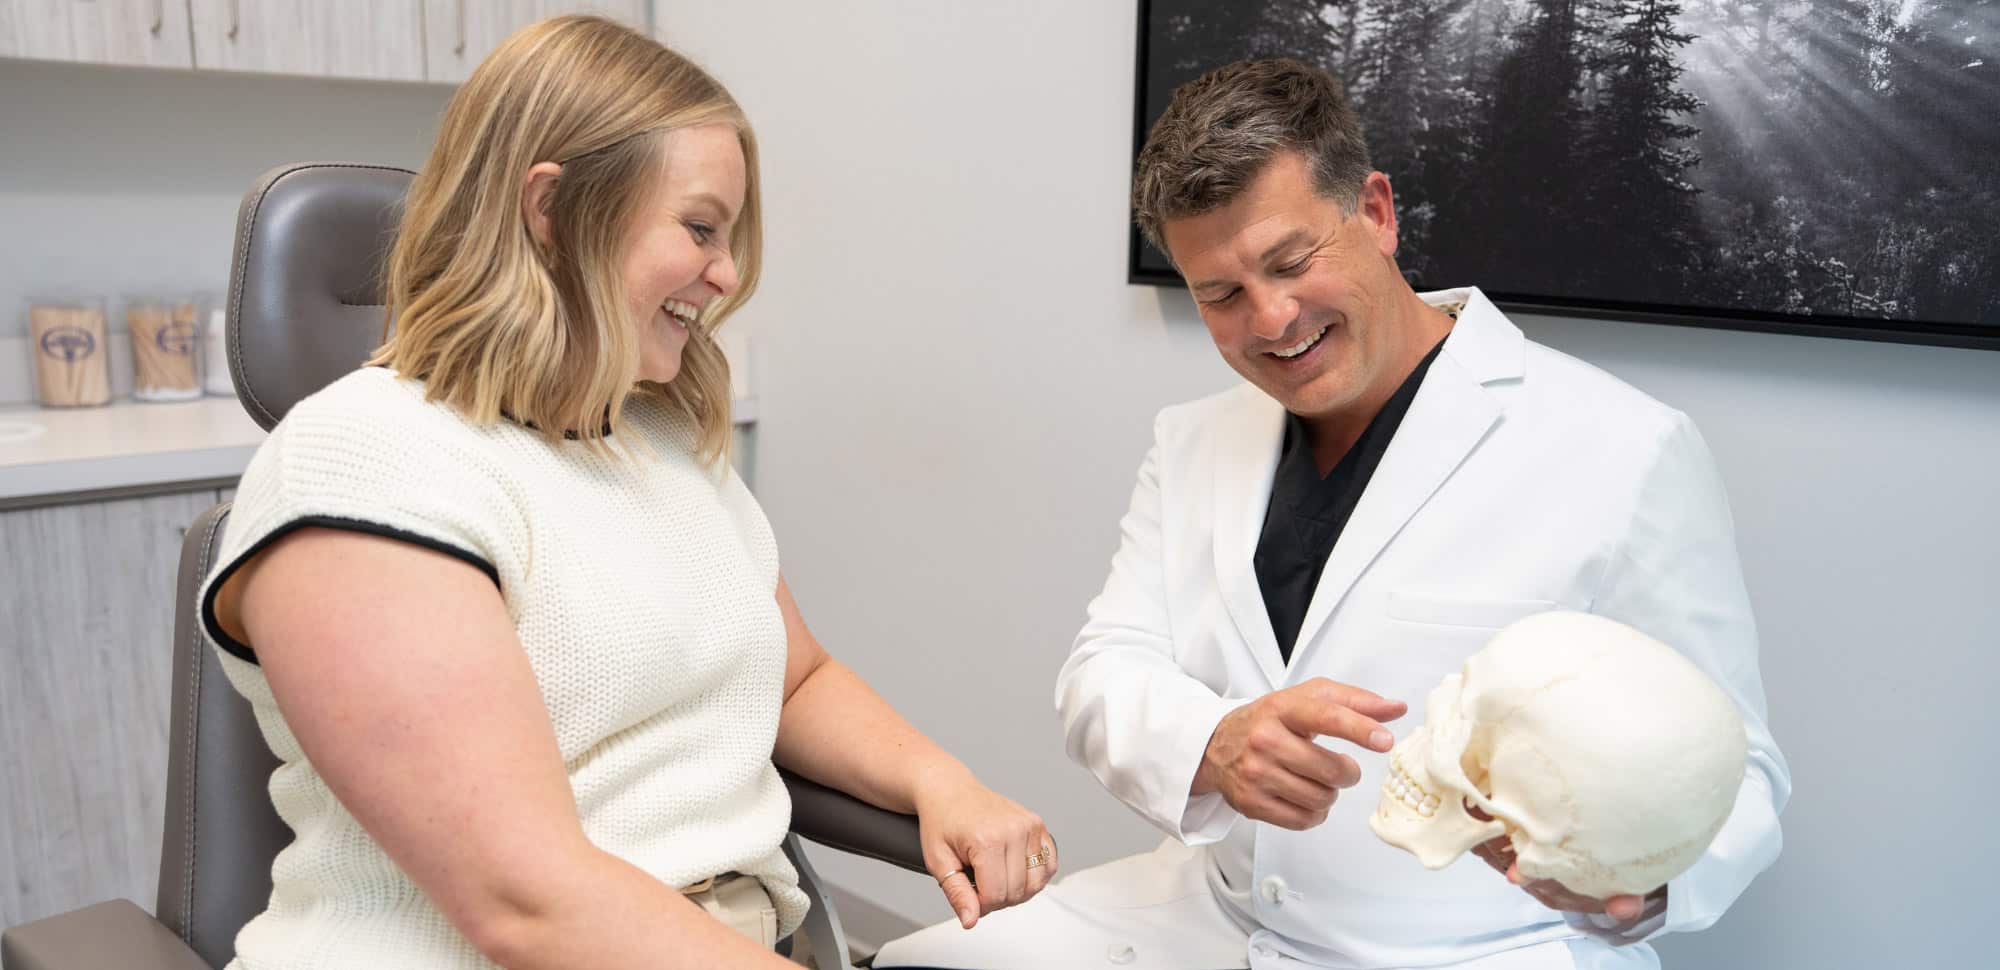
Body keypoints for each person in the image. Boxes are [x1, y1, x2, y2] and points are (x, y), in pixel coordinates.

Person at [874, 58, 1788, 970]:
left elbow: (1740, 768)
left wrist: (1641, 884)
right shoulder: (1192, 441)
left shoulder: (1624, 449)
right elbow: (1103, 671)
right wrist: (1212, 743)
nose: (1272, 319)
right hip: (1213, 919)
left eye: (1291, 262)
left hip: (1480, 950)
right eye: (1220, 295)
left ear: (1377, 213)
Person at [197, 16, 1052, 970]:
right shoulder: (366, 464)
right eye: (700, 228)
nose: (727, 275)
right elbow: (528, 904)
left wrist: (941, 781)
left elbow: (795, 680)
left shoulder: (655, 437)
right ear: (553, 209)